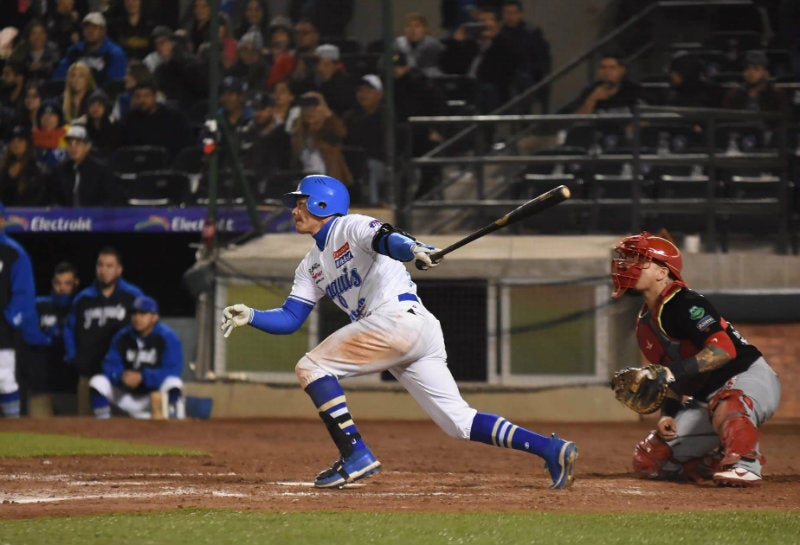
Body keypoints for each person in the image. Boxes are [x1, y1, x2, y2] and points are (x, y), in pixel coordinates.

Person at [220, 174, 578, 489]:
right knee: (459, 423)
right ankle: (551, 449)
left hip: (398, 320)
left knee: (311, 367)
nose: (294, 210)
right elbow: (290, 318)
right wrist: (251, 315)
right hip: (407, 329)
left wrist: (415, 249)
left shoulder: (350, 226)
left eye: (300, 203)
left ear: (321, 202)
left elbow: (388, 238)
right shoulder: (310, 265)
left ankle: (355, 453)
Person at [610, 231, 782, 486]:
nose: (628, 265)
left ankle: (745, 464)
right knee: (650, 460)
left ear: (662, 272)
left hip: (746, 376)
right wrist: (668, 413)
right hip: (707, 396)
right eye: (628, 258)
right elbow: (669, 373)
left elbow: (724, 350)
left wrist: (670, 374)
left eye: (640, 259)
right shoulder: (645, 323)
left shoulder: (685, 302)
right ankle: (710, 463)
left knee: (729, 402)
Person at [63, 246, 144, 415]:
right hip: (89, 373)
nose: (104, 270)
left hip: (121, 375)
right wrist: (73, 356)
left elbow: (146, 328)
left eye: (109, 266)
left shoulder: (133, 296)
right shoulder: (84, 298)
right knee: (86, 427)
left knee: (125, 429)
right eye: (100, 265)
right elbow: (69, 328)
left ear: (119, 270)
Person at [89, 294, 185, 419]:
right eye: (134, 313)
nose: (137, 318)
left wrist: (143, 376)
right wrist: (120, 376)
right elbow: (109, 365)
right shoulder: (122, 336)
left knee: (174, 383)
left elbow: (173, 370)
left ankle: (174, 422)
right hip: (126, 396)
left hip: (152, 398)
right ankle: (103, 423)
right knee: (97, 382)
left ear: (154, 317)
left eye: (143, 314)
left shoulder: (168, 337)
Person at [0, 201, 51, 418]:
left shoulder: (13, 253)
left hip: (1, 328)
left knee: (4, 378)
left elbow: (24, 295)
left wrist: (9, 321)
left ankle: (13, 431)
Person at [26, 261, 81, 416]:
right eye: (58, 283)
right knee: (38, 437)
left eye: (67, 283)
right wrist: (50, 338)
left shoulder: (81, 308)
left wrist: (59, 336)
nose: (62, 288)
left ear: (76, 283)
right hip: (40, 387)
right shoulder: (39, 306)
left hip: (71, 387)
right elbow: (28, 335)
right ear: (52, 283)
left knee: (74, 437)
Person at [52, 12, 129, 93]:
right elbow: (60, 76)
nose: (90, 31)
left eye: (95, 27)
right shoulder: (75, 51)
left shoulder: (115, 53)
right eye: (87, 27)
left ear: (103, 31)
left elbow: (115, 84)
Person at [290, 91, 353, 188]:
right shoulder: (299, 134)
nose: (310, 112)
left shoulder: (329, 128)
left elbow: (341, 132)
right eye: (306, 109)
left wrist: (325, 108)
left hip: (329, 183)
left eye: (314, 109)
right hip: (306, 182)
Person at [121, 81, 193, 161]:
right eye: (138, 96)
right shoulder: (130, 119)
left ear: (155, 96)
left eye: (146, 96)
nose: (142, 100)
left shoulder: (173, 118)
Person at [343, 74, 386, 205]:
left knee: (369, 168)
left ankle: (374, 208)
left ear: (379, 94)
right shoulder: (351, 116)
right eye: (360, 91)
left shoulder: (387, 116)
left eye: (368, 91)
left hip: (381, 165)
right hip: (354, 163)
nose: (363, 94)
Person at [52, 124, 119, 206]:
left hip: (95, 217)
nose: (73, 148)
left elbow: (110, 199)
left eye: (78, 143)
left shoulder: (101, 170)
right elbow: (55, 199)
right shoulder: (60, 170)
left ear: (87, 147)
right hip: (68, 218)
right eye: (70, 144)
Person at [0, 125, 49, 206]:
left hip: (31, 215)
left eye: (20, 140)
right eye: (12, 141)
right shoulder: (3, 168)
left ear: (28, 143)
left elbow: (41, 198)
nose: (16, 144)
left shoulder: (39, 169)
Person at [394, 12, 444, 78]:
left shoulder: (432, 44)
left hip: (430, 80)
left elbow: (423, 63)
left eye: (417, 26)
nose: (412, 30)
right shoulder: (398, 43)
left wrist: (406, 69)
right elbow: (392, 58)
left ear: (425, 29)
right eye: (408, 26)